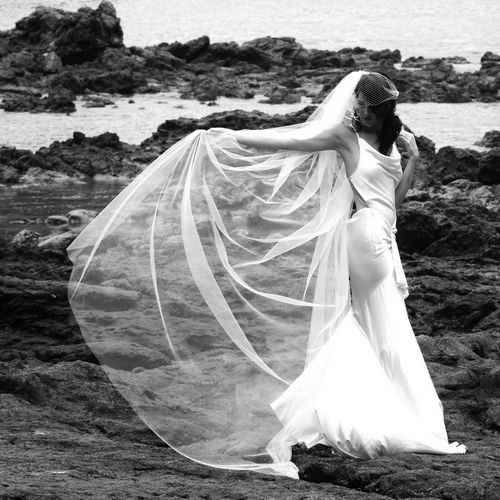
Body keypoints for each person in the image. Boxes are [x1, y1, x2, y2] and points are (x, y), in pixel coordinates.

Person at [67, 70, 467, 481]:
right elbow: (291, 140)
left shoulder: (391, 142)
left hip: (380, 235)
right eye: (358, 105)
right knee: (377, 323)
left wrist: (414, 158)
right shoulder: (344, 136)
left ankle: (372, 408)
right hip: (365, 237)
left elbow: (393, 201)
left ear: (382, 110)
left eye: (366, 107)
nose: (358, 111)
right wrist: (229, 136)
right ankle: (378, 409)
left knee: (377, 323)